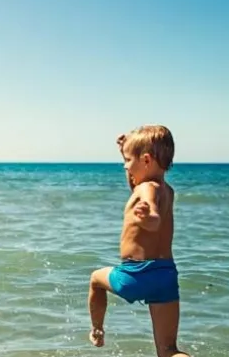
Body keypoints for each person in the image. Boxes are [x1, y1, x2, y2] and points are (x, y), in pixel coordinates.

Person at [87, 125, 187, 357]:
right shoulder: (167, 190)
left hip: (137, 274)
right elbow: (136, 184)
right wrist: (125, 149)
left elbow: (153, 216)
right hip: (166, 275)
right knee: (168, 350)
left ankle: (97, 329)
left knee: (95, 280)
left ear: (146, 159)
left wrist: (149, 218)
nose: (125, 166)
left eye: (127, 160)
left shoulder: (146, 189)